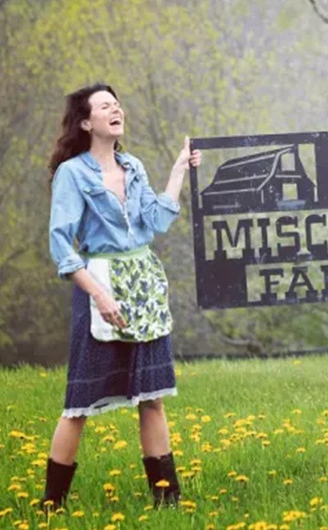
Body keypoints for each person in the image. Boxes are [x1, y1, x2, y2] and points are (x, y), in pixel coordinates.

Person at [43, 82, 201, 509]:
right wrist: (99, 295)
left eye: (117, 104)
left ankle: (167, 502)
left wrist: (178, 170)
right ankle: (51, 505)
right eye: (105, 106)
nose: (116, 110)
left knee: (152, 398)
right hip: (100, 288)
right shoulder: (72, 174)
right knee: (79, 404)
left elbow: (155, 222)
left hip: (143, 288)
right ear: (85, 122)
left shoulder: (133, 166)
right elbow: (61, 245)